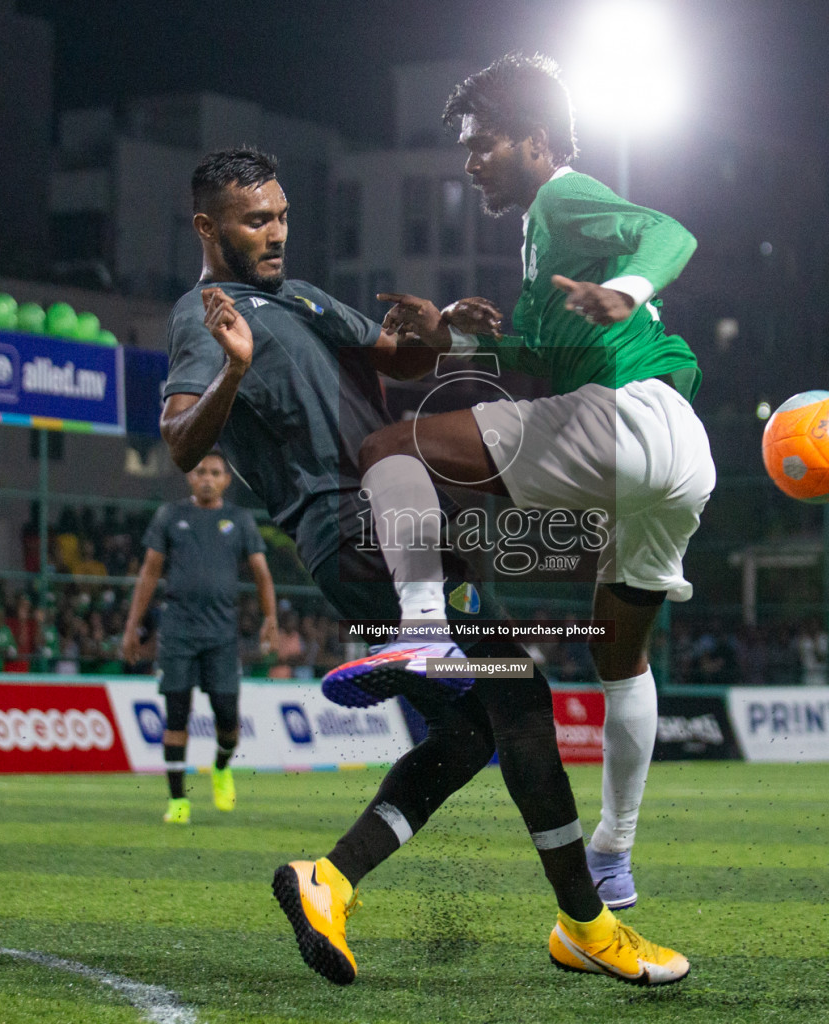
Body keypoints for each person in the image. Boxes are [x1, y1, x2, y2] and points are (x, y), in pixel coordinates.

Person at [159, 147, 687, 986]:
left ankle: (327, 881)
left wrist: (447, 328)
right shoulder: (206, 314)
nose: (275, 232)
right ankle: (587, 923)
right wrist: (233, 366)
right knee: (518, 693)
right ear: (206, 226)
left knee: (475, 727)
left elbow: (395, 355)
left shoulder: (295, 295)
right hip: (352, 526)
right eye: (256, 220)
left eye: (282, 214)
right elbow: (184, 437)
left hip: (396, 519)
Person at [321, 53, 715, 915]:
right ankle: (614, 853)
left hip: (626, 423)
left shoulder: (564, 198)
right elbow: (531, 356)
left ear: (536, 143)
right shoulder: (540, 239)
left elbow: (671, 234)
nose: (471, 164)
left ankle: (423, 631)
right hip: (681, 457)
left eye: (483, 145)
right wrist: (451, 340)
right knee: (621, 657)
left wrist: (626, 286)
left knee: (392, 447)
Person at [122, 452, 277, 823]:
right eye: (200, 471)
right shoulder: (170, 516)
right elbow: (149, 572)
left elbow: (261, 573)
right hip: (177, 633)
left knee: (228, 720)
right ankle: (178, 802)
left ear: (226, 480)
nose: (207, 477)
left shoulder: (240, 520)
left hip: (222, 636)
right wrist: (132, 624)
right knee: (176, 716)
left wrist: (270, 617)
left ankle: (221, 767)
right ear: (190, 478)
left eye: (215, 472)